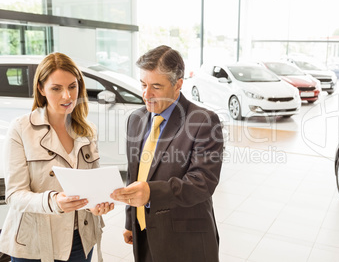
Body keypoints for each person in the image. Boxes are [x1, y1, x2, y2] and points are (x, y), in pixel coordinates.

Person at [110, 45, 224, 262]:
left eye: (156, 87)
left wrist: (151, 192)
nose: (146, 94)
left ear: (178, 84)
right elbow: (134, 176)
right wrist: (131, 221)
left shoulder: (202, 121)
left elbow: (203, 183)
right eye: (143, 84)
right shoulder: (136, 119)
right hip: (144, 233)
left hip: (185, 241)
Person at [0, 52, 114, 262]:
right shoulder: (21, 129)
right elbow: (14, 195)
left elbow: (94, 186)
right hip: (35, 244)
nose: (67, 96)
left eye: (72, 86)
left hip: (81, 240)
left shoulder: (88, 131)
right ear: (41, 89)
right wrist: (53, 201)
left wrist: (99, 203)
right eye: (56, 88)